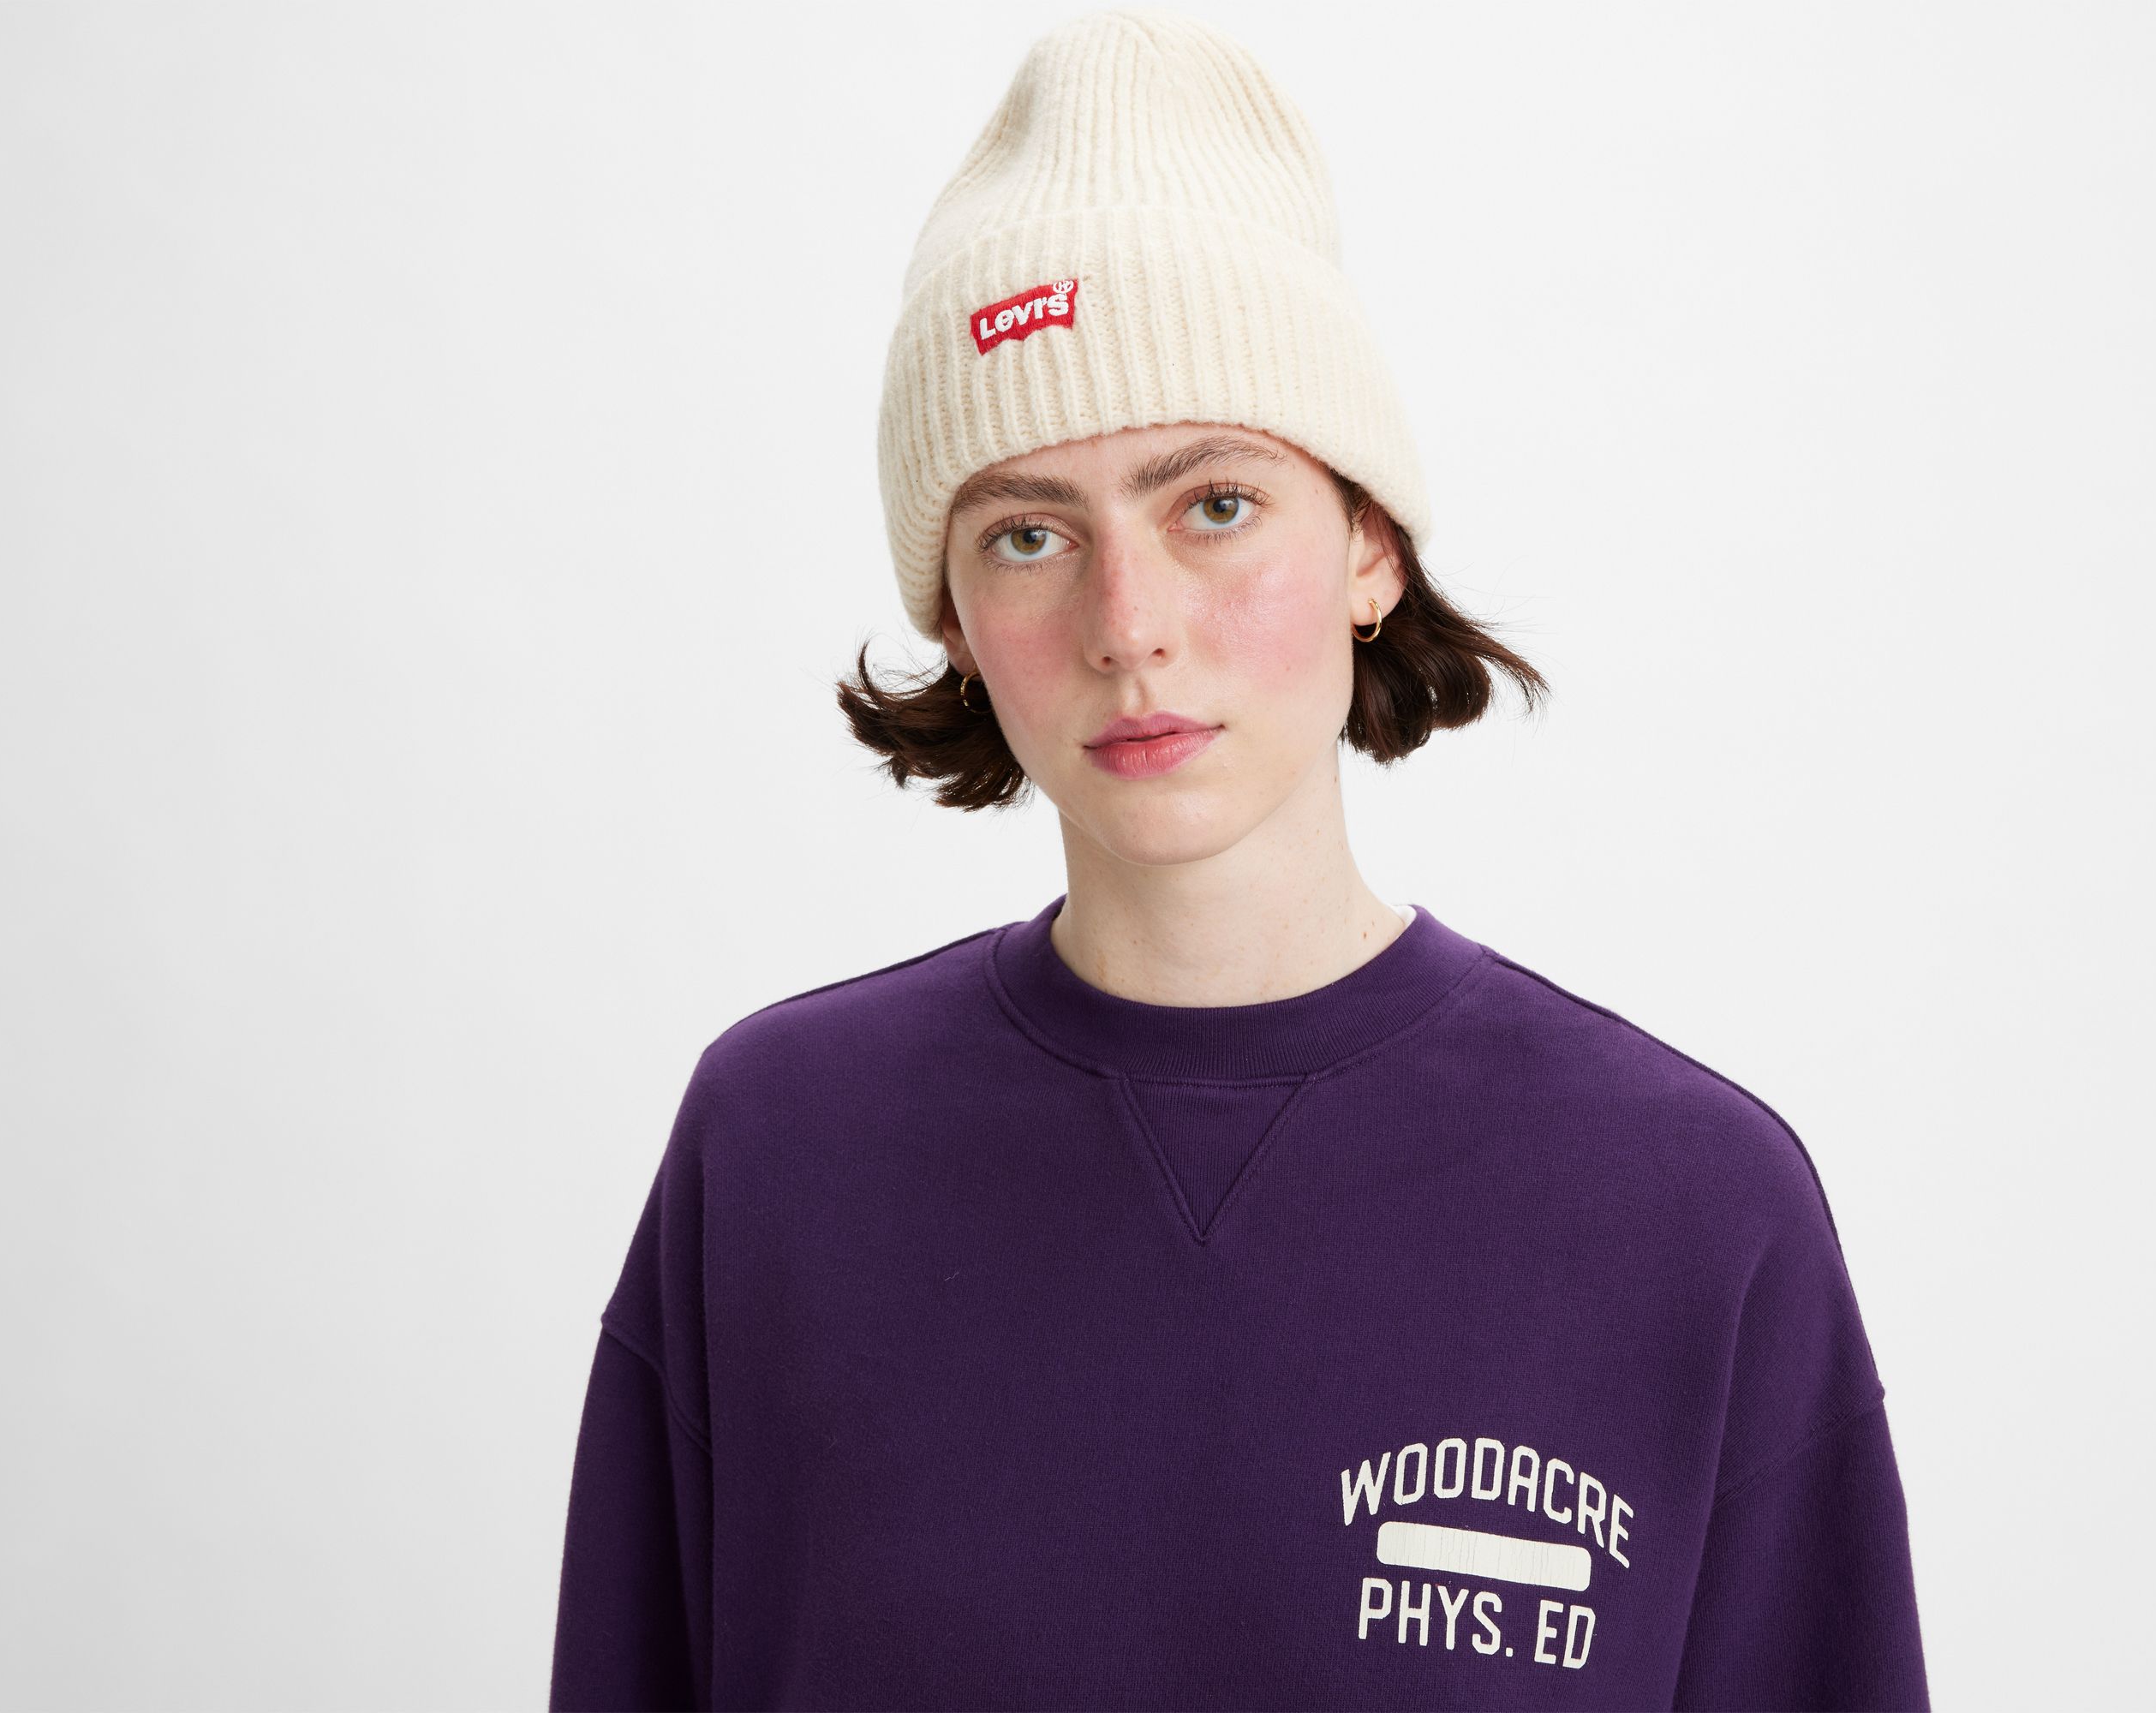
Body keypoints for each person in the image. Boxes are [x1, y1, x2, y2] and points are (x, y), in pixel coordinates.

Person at [549, 10, 1928, 1710]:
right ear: (956, 618)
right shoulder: (778, 1156)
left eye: (1212, 503)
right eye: (1029, 532)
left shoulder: (1689, 1208)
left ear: (1368, 543)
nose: (1128, 625)